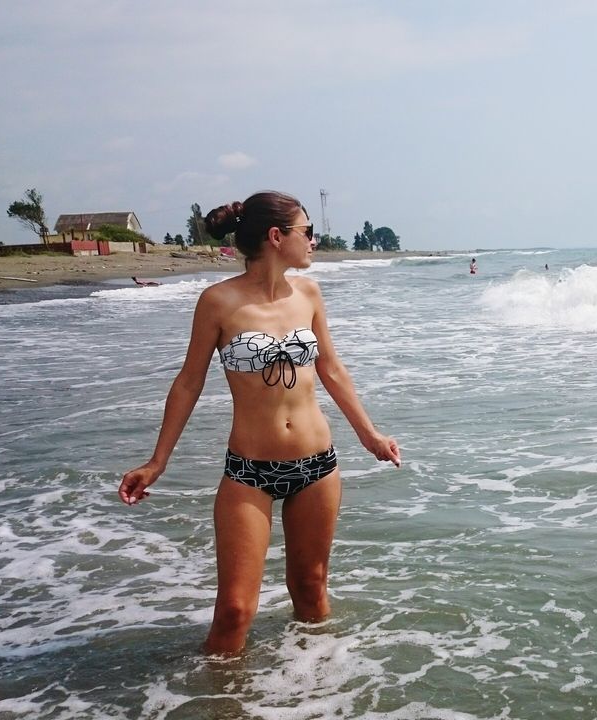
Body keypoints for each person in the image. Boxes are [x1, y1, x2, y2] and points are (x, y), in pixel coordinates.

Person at [119, 191, 401, 656]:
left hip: (318, 467)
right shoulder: (219, 301)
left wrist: (370, 435)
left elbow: (331, 368)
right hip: (249, 472)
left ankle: (319, 690)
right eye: (307, 231)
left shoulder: (308, 293)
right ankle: (223, 704)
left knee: (311, 591)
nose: (314, 240)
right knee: (233, 610)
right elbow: (188, 383)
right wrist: (157, 461)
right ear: (276, 237)